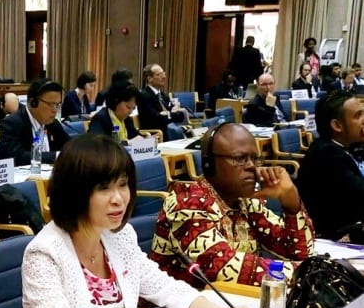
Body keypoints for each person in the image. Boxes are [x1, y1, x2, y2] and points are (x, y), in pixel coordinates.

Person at [12, 134, 247, 308]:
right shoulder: (44, 252)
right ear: (75, 193)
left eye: (123, 184)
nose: (118, 199)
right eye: (103, 189)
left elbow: (162, 286)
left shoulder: (119, 236)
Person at [150, 122, 314, 287]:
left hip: (232, 302)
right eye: (240, 159)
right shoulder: (186, 203)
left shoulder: (246, 201)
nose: (251, 166)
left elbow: (299, 252)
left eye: (255, 159)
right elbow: (221, 267)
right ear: (209, 164)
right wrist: (307, 272)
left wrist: (291, 201)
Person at [297, 91, 364, 240]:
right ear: (337, 126)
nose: (363, 120)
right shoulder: (327, 156)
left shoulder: (344, 147)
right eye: (358, 116)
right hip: (332, 237)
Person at [0, 78, 70, 166]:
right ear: (33, 102)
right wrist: (55, 156)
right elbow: (15, 157)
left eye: (58, 105)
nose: (55, 110)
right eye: (51, 104)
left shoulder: (53, 124)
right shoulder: (12, 123)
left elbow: (69, 146)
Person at [137, 64, 186, 141]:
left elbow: (180, 115)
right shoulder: (144, 96)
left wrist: (168, 113)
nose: (164, 77)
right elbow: (157, 119)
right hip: (155, 134)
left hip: (167, 131)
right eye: (159, 74)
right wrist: (172, 113)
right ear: (150, 79)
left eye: (164, 73)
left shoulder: (163, 95)